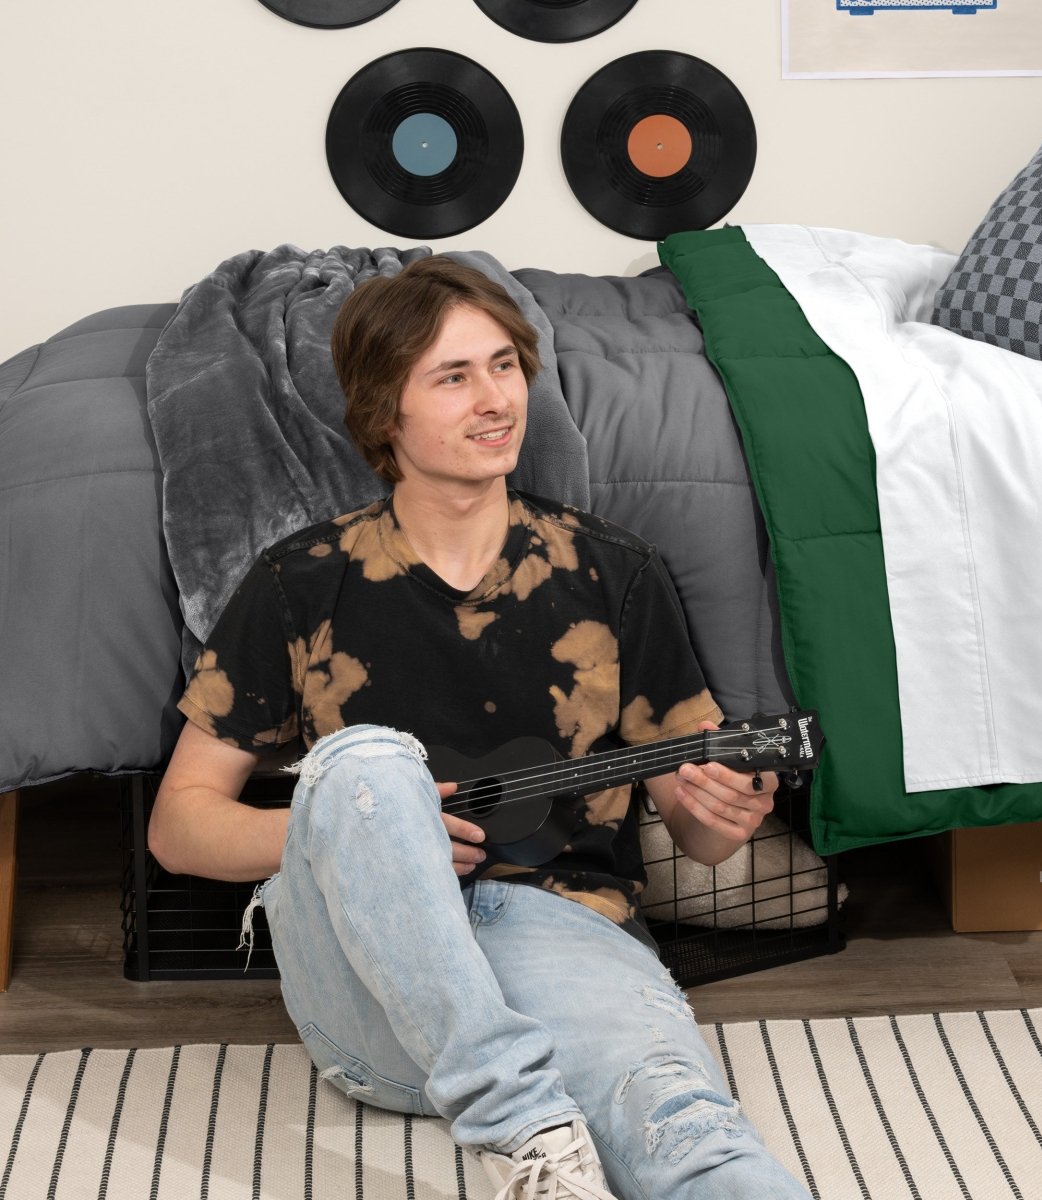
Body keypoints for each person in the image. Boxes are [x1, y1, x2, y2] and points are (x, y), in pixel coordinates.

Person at [148, 255, 812, 1200]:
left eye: (504, 366)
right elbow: (178, 826)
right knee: (369, 762)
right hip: (367, 989)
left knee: (688, 1133)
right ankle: (524, 1122)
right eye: (453, 378)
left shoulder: (616, 574)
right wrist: (374, 829)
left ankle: (542, 1129)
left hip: (564, 941)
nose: (495, 399)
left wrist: (724, 814)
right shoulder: (299, 584)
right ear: (385, 415)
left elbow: (700, 836)